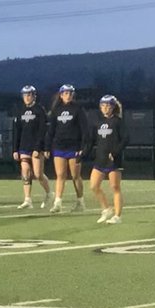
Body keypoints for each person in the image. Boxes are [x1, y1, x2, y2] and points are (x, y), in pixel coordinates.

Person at [45, 84, 88, 213]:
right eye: (66, 93)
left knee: (75, 175)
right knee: (60, 175)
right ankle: (58, 202)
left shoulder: (78, 109)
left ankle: (80, 201)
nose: (68, 95)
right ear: (61, 95)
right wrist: (47, 147)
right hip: (59, 145)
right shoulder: (56, 109)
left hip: (74, 146)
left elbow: (84, 129)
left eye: (70, 93)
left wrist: (82, 147)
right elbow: (51, 130)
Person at [88, 95, 128, 224]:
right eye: (103, 106)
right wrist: (83, 153)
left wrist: (116, 152)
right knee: (94, 186)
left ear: (113, 107)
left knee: (115, 187)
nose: (105, 108)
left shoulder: (118, 121)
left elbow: (125, 139)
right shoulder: (98, 122)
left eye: (108, 106)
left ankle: (117, 216)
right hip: (100, 159)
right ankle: (106, 209)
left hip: (113, 160)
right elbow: (92, 140)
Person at [12, 85, 52, 209]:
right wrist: (15, 149)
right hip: (24, 145)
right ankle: (27, 199)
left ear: (34, 96)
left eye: (29, 95)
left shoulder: (39, 110)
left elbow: (42, 130)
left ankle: (49, 193)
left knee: (38, 174)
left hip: (36, 146)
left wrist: (38, 147)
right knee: (25, 172)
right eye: (25, 95)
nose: (27, 97)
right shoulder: (20, 111)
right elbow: (17, 131)